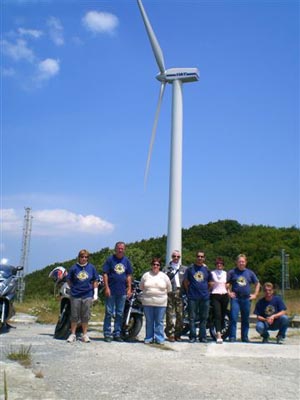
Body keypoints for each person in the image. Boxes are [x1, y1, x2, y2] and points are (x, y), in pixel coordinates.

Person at [102, 241, 133, 342]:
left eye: (122, 248)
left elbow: (128, 275)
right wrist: (106, 287)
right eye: (118, 248)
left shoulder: (126, 261)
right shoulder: (110, 260)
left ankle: (117, 333)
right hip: (111, 290)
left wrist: (129, 288)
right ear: (115, 249)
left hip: (122, 291)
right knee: (109, 313)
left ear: (124, 249)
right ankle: (107, 333)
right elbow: (105, 274)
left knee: (120, 313)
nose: (120, 250)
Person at [66, 249, 99, 343]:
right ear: (79, 257)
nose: (84, 259)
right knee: (74, 315)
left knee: (85, 315)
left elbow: (95, 281)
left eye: (86, 257)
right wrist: (72, 288)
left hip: (87, 294)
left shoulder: (91, 268)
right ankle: (73, 334)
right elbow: (68, 279)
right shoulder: (74, 268)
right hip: (75, 295)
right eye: (82, 257)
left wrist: (95, 293)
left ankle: (85, 335)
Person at [227, 254, 260, 343]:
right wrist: (229, 292)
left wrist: (255, 294)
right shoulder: (232, 272)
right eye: (239, 261)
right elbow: (226, 283)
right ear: (237, 262)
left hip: (246, 299)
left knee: (245, 319)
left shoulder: (250, 273)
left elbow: (257, 283)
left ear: (246, 262)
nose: (241, 263)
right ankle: (232, 336)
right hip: (236, 299)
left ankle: (244, 337)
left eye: (243, 261)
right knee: (233, 318)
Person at [140, 257, 172, 344]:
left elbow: (169, 288)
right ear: (151, 265)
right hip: (147, 302)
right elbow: (141, 287)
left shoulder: (164, 276)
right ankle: (149, 338)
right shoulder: (146, 275)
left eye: (157, 265)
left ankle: (160, 338)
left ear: (160, 266)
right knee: (149, 321)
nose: (155, 266)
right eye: (154, 264)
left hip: (161, 303)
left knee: (159, 321)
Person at [183, 251, 213, 343]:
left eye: (202, 256)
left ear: (204, 258)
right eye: (198, 256)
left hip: (204, 297)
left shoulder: (207, 270)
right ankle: (192, 336)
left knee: (204, 318)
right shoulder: (190, 269)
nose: (200, 258)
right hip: (192, 296)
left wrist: (206, 291)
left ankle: (202, 336)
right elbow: (185, 282)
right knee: (192, 317)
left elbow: (210, 283)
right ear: (196, 257)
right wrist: (188, 291)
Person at [163, 250, 187, 342]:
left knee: (180, 314)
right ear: (171, 257)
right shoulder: (166, 269)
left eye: (178, 256)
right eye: (174, 256)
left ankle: (178, 333)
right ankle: (170, 333)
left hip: (180, 292)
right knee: (169, 314)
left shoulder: (184, 269)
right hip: (169, 292)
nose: (176, 258)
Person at [211, 257, 229, 344]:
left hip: (224, 295)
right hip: (215, 295)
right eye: (217, 263)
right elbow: (209, 283)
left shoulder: (226, 273)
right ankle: (218, 334)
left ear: (223, 265)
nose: (219, 265)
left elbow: (228, 283)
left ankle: (221, 331)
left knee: (223, 315)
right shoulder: (212, 273)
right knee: (217, 314)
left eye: (221, 264)